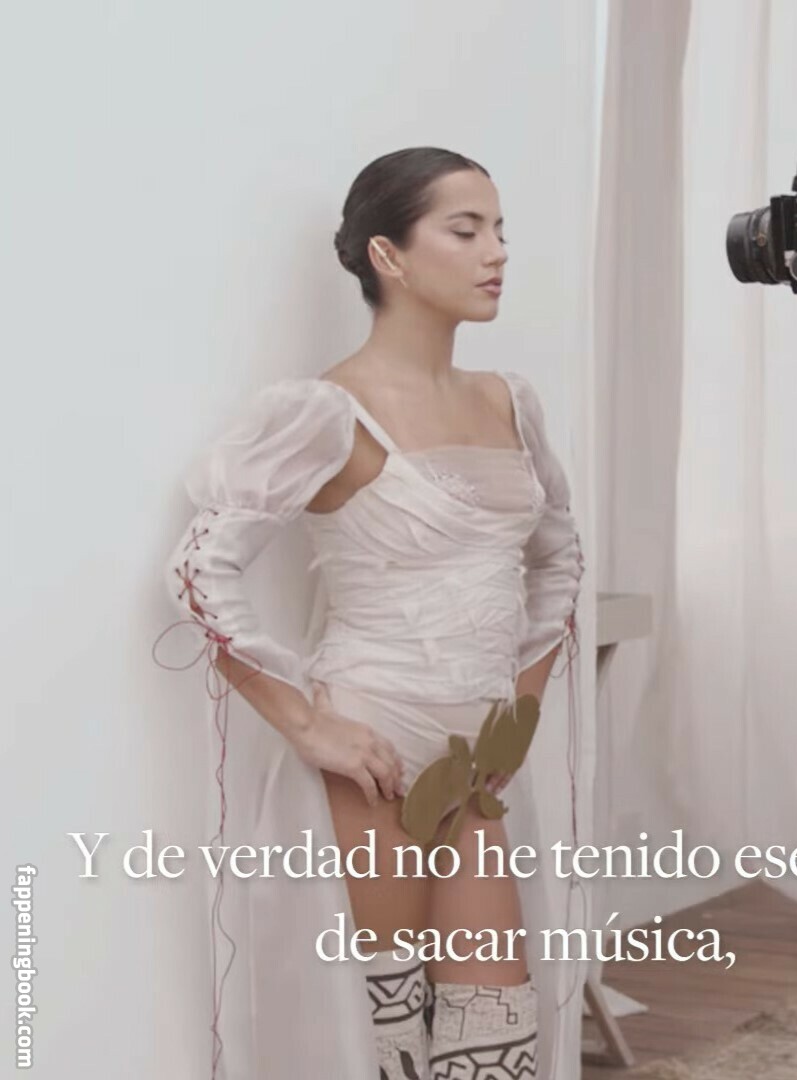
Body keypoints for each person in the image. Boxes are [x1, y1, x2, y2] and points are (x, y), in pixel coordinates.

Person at [159, 147, 585, 1080]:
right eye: (465, 230)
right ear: (388, 256)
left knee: (496, 1037)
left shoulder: (510, 402)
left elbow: (560, 560)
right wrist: (309, 725)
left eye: (500, 230)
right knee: (383, 1040)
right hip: (375, 752)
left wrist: (522, 703)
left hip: (477, 763)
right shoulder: (325, 412)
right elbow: (199, 570)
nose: (497, 252)